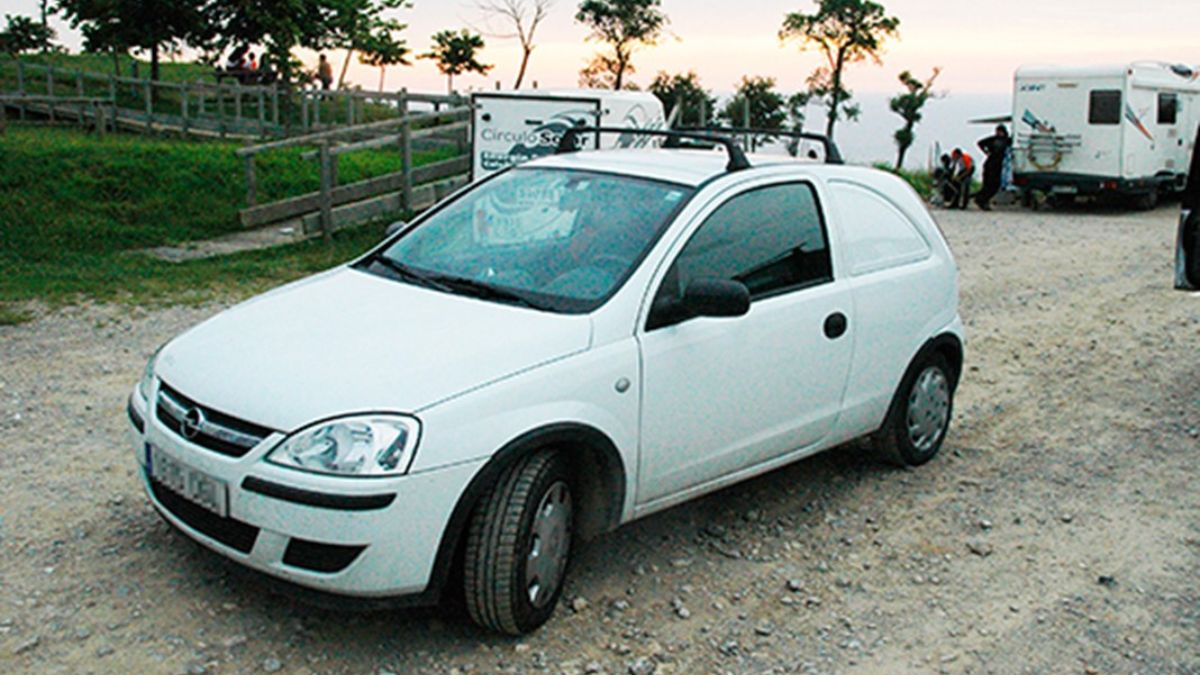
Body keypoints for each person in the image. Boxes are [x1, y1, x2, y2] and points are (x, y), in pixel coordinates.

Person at [975, 125, 1011, 211]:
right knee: (988, 184)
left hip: (998, 165)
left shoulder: (1006, 140)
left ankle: (982, 199)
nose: (998, 133)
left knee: (995, 185)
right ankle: (982, 200)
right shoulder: (993, 139)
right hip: (991, 164)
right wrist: (987, 152)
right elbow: (980, 143)